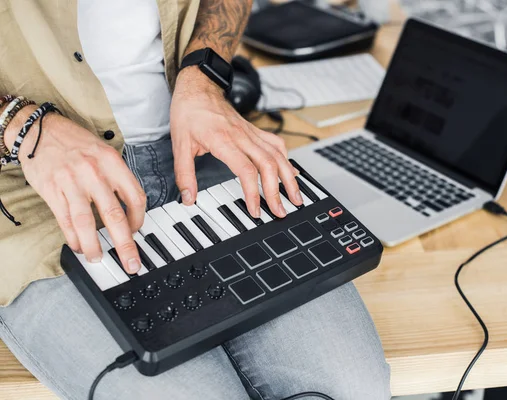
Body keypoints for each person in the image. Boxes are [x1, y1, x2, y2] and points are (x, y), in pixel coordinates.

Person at [0, 1, 391, 399]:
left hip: (199, 144)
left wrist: (204, 76)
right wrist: (20, 124)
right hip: (33, 191)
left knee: (353, 389)